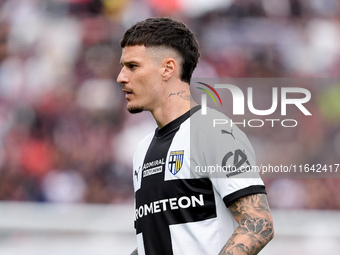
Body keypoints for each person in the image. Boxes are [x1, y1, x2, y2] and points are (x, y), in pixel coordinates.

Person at [117, 17, 274, 255]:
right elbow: (159, 240)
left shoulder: (213, 132)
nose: (121, 77)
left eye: (133, 66)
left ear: (168, 68)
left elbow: (258, 224)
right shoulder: (142, 149)